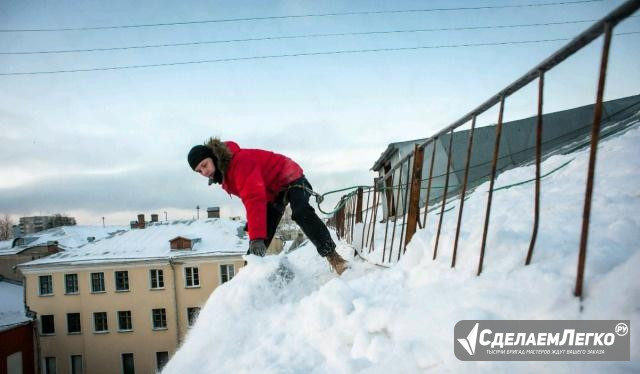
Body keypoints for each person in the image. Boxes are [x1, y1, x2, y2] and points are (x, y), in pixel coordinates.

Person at [187, 137, 348, 275]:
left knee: (300, 212)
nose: (204, 171)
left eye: (204, 165)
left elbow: (253, 197)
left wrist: (256, 236)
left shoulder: (238, 162)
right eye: (199, 171)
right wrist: (256, 232)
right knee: (259, 236)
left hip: (290, 177)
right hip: (273, 192)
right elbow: (255, 196)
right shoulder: (224, 174)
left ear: (213, 157)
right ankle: (246, 279)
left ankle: (335, 258)